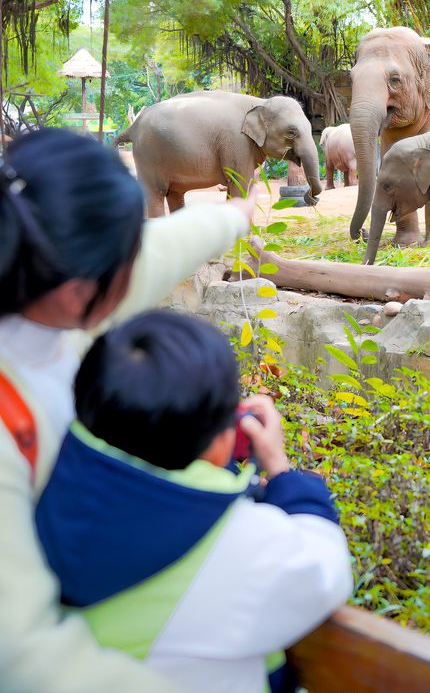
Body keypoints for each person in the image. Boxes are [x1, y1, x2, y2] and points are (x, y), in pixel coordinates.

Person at [0, 128, 256, 693]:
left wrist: (236, 214)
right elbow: (21, 656)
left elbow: (156, 253)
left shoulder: (48, 301)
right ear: (77, 289)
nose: (140, 260)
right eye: (126, 249)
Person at [36, 310, 353, 693]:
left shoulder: (39, 484)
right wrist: (284, 475)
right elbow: (325, 569)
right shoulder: (242, 542)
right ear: (222, 438)